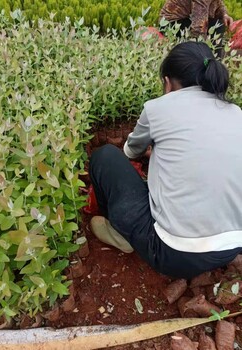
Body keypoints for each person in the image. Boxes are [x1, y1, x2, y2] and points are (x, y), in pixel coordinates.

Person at [89, 41, 242, 279]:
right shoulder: (236, 113)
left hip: (171, 253)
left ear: (168, 82)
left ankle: (118, 231)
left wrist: (145, 151)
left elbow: (131, 151)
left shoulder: (158, 108)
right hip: (231, 247)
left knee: (105, 156)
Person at [160, 0, 233, 57]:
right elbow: (198, 26)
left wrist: (224, 15)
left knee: (218, 23)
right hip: (171, 25)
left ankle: (214, 62)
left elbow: (217, 2)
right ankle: (212, 63)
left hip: (183, 19)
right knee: (218, 25)